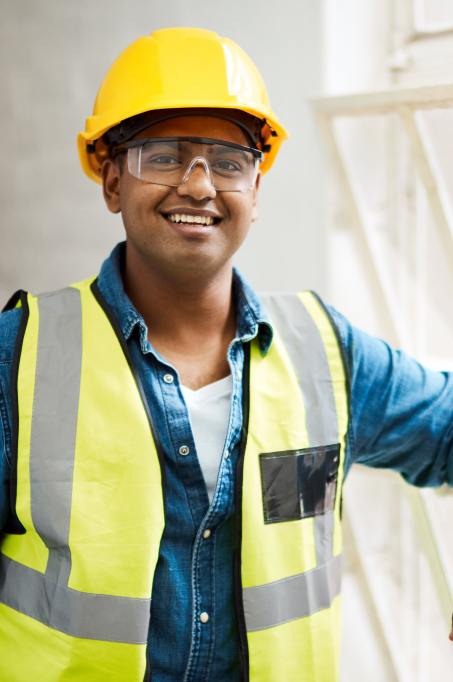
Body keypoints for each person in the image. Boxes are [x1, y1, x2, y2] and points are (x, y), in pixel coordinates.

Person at [0, 27, 452, 682]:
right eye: (162, 156)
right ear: (110, 181)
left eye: (228, 161)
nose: (198, 184)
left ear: (256, 192)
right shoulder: (19, 359)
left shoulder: (326, 352)